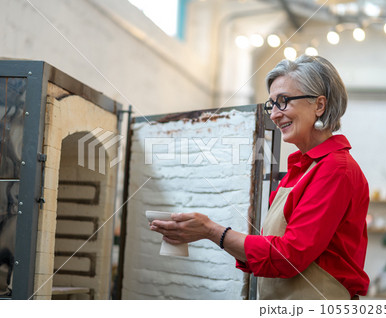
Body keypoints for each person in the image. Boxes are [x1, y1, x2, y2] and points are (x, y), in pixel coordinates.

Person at [150, 55, 370, 300]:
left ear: (319, 105)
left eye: (284, 101)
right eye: (272, 104)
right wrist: (207, 232)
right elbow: (272, 248)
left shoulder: (336, 169)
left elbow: (289, 257)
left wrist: (212, 231)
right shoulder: (301, 169)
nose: (275, 114)